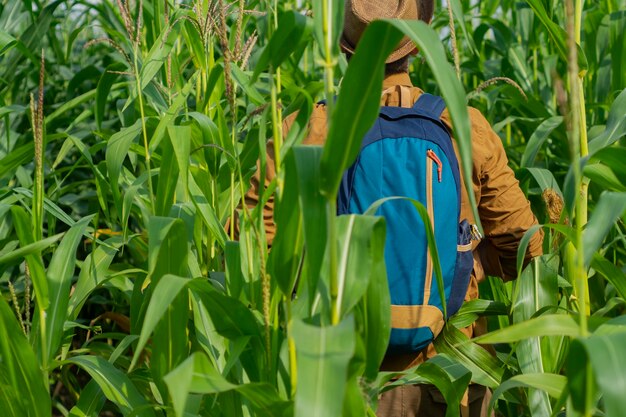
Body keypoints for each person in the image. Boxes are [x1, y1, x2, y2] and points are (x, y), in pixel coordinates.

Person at [244, 0, 544, 415]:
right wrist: (467, 265)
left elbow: (252, 250)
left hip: (342, 382)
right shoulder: (464, 127)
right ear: (418, 45)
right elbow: (526, 246)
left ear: (344, 47)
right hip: (449, 377)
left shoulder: (303, 130)